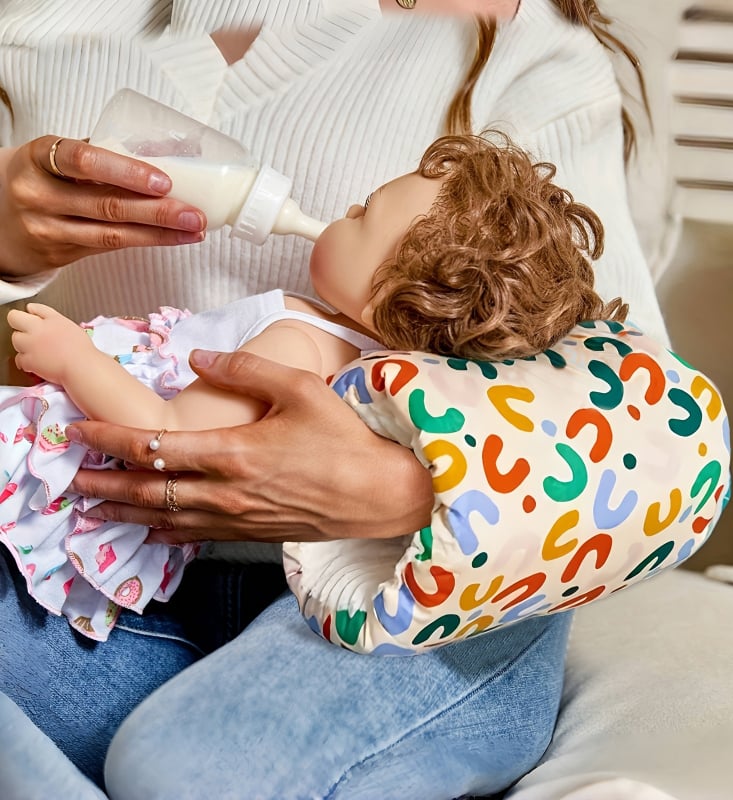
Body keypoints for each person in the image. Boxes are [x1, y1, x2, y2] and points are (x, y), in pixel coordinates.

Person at [0, 1, 667, 798]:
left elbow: (638, 413)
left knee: (183, 769)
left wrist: (408, 487)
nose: (348, 214)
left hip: (403, 591)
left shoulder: (517, 49)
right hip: (122, 573)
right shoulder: (40, 27)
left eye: (364, 215)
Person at [2, 131, 625, 642]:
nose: (348, 209)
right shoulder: (368, 364)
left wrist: (74, 360)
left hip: (71, 474)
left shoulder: (298, 343)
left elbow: (168, 437)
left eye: (365, 215)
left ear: (400, 291)